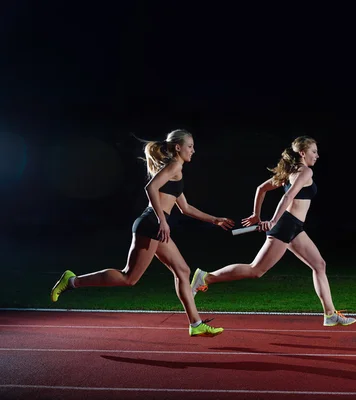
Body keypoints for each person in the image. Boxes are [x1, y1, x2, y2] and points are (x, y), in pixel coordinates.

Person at [50, 129, 235, 337]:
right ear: (178, 147)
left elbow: (185, 208)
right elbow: (151, 187)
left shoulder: (178, 171)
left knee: (183, 271)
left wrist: (215, 220)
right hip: (151, 224)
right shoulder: (173, 166)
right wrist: (162, 220)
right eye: (190, 146)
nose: (193, 150)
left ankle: (196, 324)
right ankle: (72, 281)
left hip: (154, 226)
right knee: (129, 278)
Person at [191, 135, 356, 326]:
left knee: (319, 264)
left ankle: (330, 314)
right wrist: (272, 220)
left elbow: (261, 189)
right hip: (285, 225)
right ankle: (205, 277)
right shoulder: (304, 172)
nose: (317, 155)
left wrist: (256, 216)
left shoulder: (291, 171)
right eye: (314, 151)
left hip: (294, 227)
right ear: (303, 153)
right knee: (256, 270)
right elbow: (287, 197)